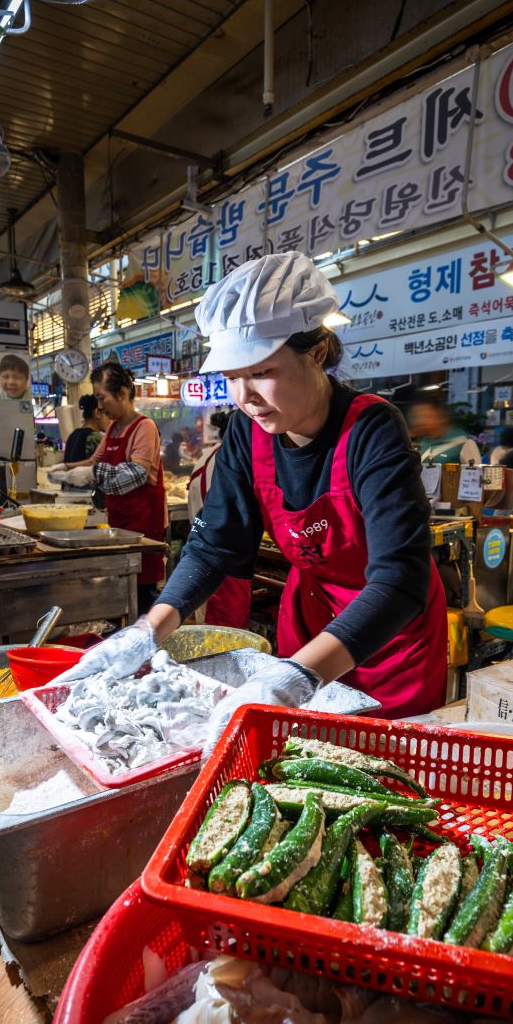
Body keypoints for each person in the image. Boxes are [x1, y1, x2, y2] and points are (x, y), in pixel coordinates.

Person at [58, 251, 448, 754]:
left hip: (391, 638)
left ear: (318, 351)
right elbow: (214, 544)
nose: (245, 396)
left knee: (385, 772)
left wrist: (298, 676)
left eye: (262, 372)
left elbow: (401, 579)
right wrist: (148, 629)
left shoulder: (372, 429)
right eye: (231, 376)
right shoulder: (247, 432)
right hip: (310, 623)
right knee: (302, 763)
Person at [58, 363, 167, 613]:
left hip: (143, 531)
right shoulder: (112, 429)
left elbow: (138, 473)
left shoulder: (144, 427)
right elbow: (93, 462)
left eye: (102, 398)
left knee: (143, 595)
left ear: (123, 394)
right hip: (119, 525)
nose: (99, 406)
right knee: (122, 596)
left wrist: (91, 474)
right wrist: (64, 469)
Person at [187, 409, 251, 629]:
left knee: (209, 632)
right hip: (225, 565)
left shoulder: (207, 457)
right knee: (227, 637)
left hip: (203, 557)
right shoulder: (232, 461)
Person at [410, 397, 482, 465]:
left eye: (425, 416)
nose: (420, 421)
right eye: (417, 416)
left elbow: (475, 473)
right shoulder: (423, 443)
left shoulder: (463, 441)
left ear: (440, 416)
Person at [63, 394, 106, 463]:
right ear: (97, 413)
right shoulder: (95, 437)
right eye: (107, 413)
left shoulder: (73, 435)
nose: (112, 419)